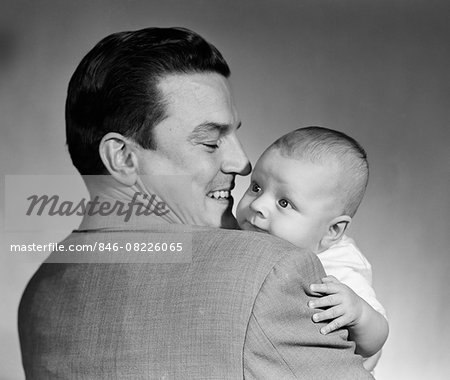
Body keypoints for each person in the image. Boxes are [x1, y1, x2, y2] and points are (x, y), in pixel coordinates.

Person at [18, 28, 373, 379]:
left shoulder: (38, 295)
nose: (243, 163)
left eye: (234, 134)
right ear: (123, 158)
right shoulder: (269, 271)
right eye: (210, 141)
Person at [236, 126, 389, 372]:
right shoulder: (249, 233)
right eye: (256, 187)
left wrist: (358, 312)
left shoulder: (339, 269)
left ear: (332, 231)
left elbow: (377, 339)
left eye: (284, 202)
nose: (258, 205)